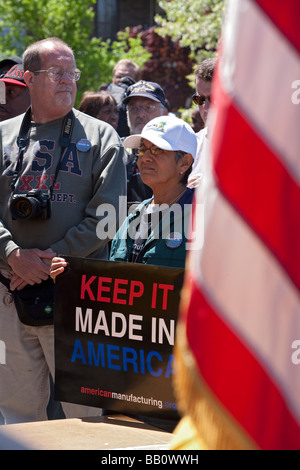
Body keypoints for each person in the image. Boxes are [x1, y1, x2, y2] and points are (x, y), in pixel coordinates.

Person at [0, 37, 126, 424]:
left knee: (87, 414)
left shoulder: (103, 136)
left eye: (71, 73)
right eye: (56, 73)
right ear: (27, 77)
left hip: (78, 295)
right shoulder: (2, 135)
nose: (67, 81)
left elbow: (110, 215)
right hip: (8, 293)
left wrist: (48, 260)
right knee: (17, 414)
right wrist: (11, 254)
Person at [50, 114, 197, 431]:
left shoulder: (205, 217)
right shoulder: (131, 215)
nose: (145, 157)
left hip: (181, 380)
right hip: (128, 376)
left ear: (184, 163)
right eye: (142, 150)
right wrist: (71, 277)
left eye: (156, 151)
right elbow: (111, 281)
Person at [122, 80, 168, 205]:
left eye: (149, 107)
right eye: (134, 108)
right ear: (127, 114)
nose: (141, 114)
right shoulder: (114, 150)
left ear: (164, 114)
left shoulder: (175, 151)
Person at [188, 57, 216, 188]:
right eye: (200, 99)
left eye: (215, 98)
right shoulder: (192, 143)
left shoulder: (255, 143)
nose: (206, 108)